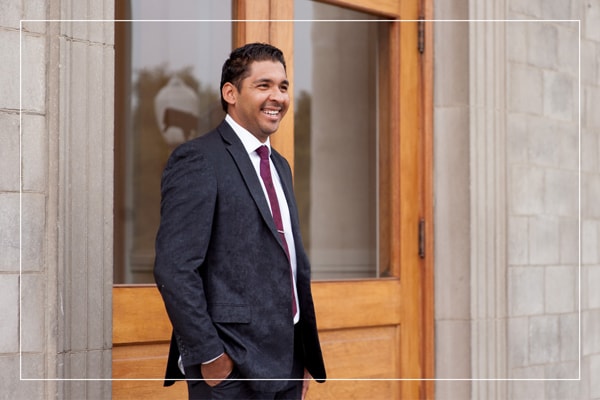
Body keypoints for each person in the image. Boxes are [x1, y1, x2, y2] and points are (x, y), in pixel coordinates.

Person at [154, 42, 326, 400]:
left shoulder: (280, 166)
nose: (277, 96)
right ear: (230, 93)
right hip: (231, 371)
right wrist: (210, 356)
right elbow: (175, 268)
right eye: (263, 85)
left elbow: (288, 264)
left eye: (283, 86)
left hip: (288, 364)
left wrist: (303, 351)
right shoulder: (198, 160)